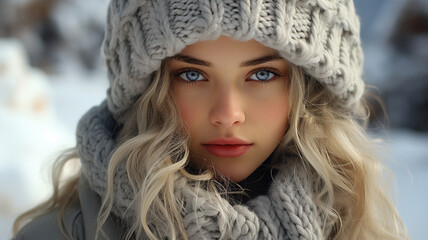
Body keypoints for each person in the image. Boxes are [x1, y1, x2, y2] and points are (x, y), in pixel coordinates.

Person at [13, 0, 408, 239]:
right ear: (146, 91)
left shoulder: (358, 229)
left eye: (262, 74)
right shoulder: (60, 235)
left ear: (313, 91)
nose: (227, 115)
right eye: (191, 75)